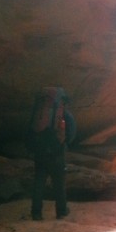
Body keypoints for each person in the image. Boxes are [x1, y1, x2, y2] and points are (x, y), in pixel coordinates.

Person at [26, 86, 77, 221]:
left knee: (38, 183)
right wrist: (64, 144)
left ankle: (36, 213)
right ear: (62, 101)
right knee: (59, 184)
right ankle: (61, 211)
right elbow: (71, 134)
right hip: (57, 153)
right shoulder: (65, 114)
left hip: (40, 152)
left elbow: (30, 129)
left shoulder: (39, 111)